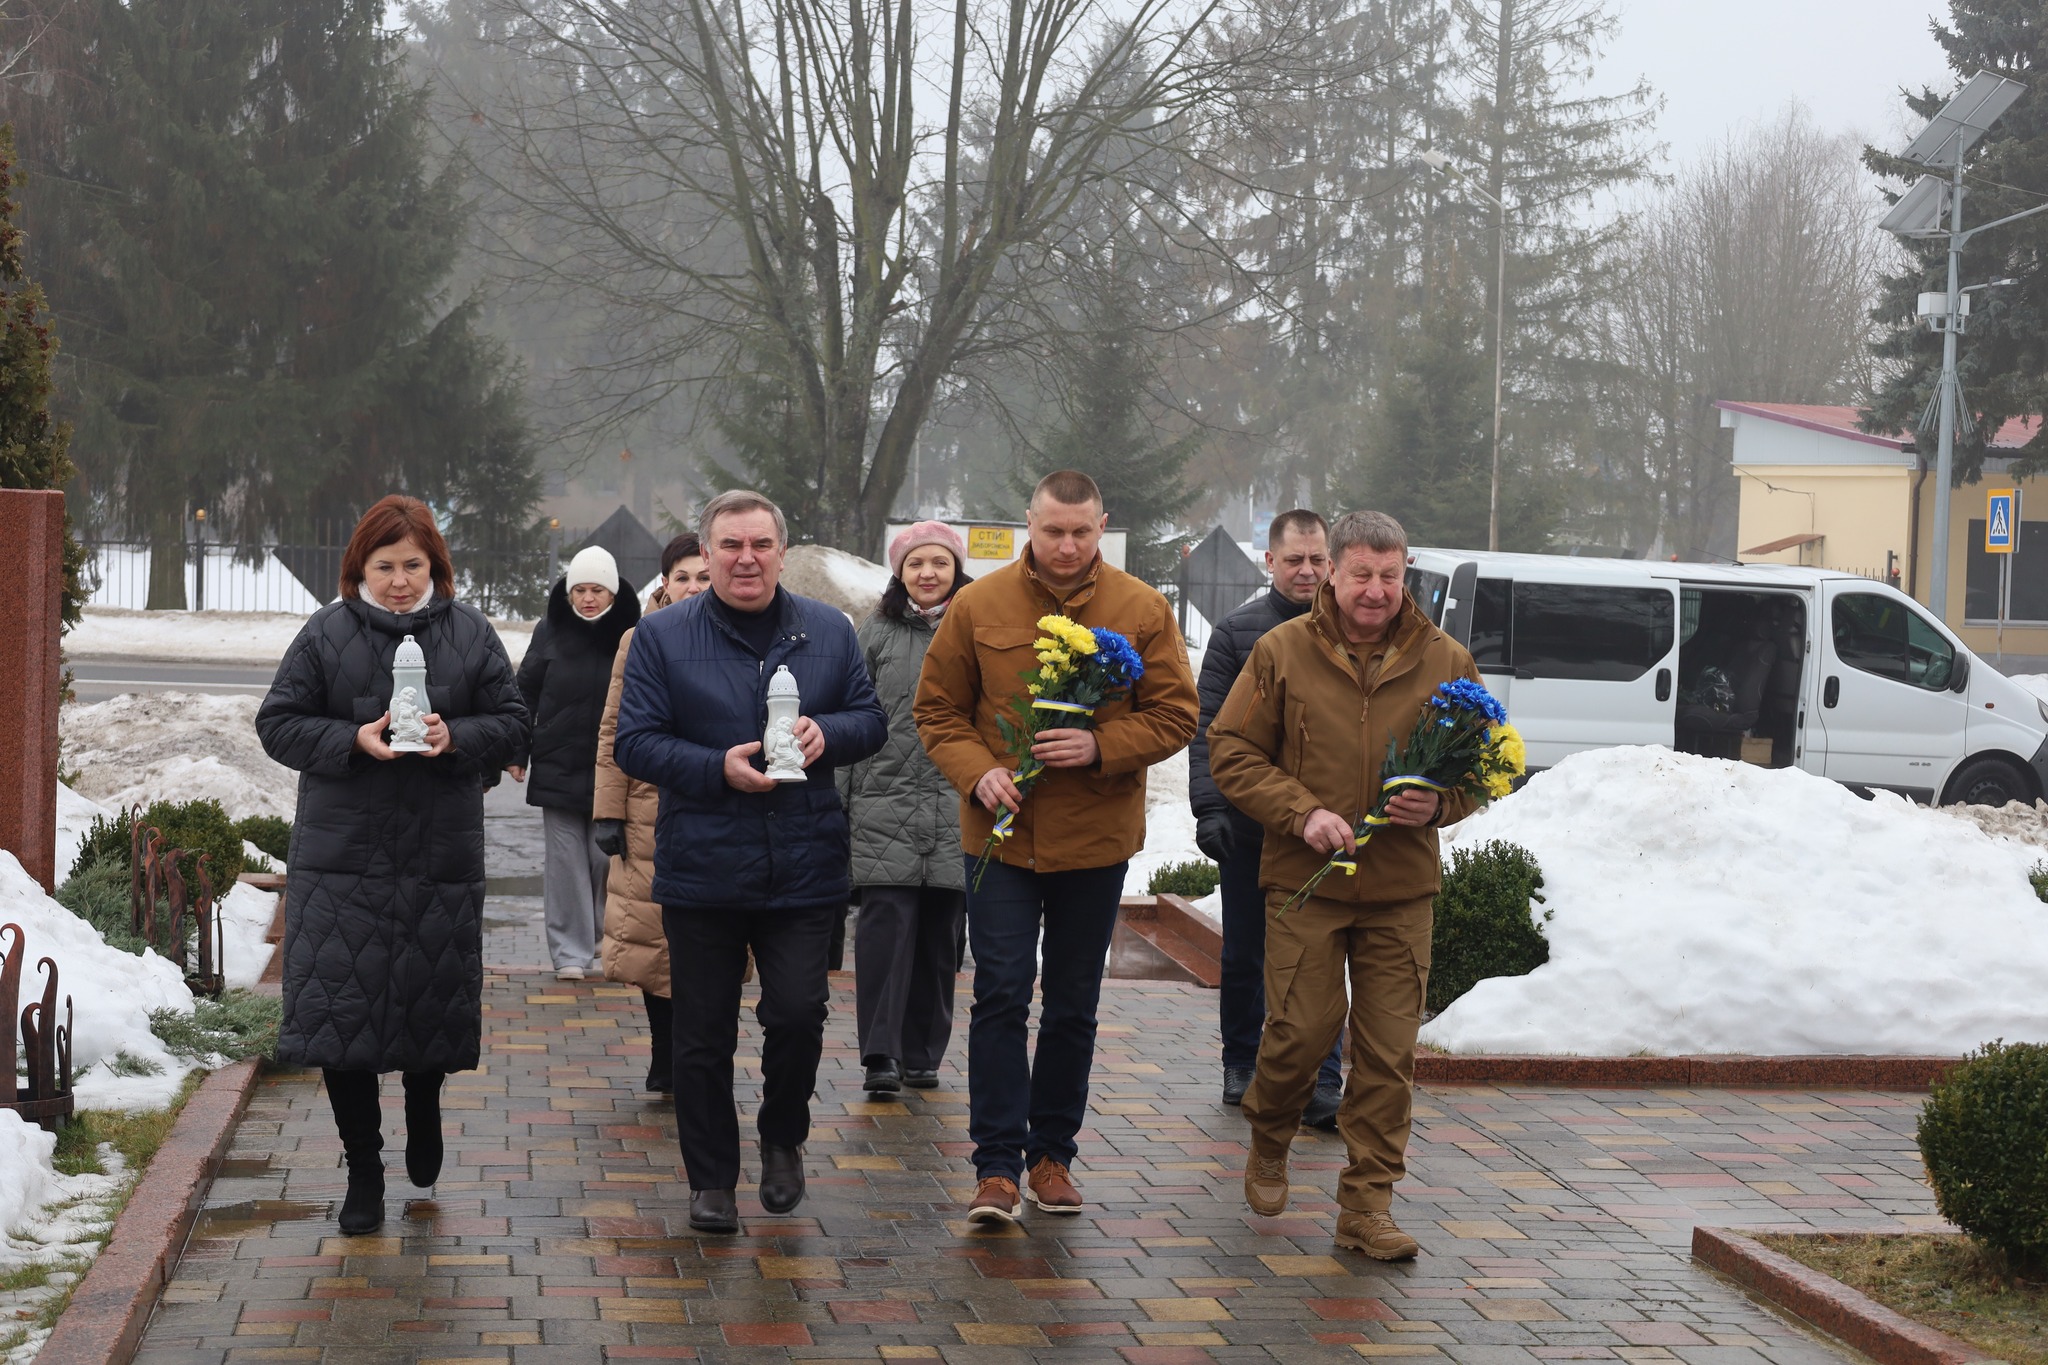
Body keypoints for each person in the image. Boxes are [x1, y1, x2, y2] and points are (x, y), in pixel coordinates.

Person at [915, 470, 1199, 1225]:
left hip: (1095, 841)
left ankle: (1052, 1157)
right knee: (1002, 992)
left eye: (1081, 531)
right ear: (1028, 527)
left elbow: (1175, 715)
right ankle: (996, 1168)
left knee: (1074, 1002)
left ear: (1102, 524)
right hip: (1000, 840)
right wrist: (980, 774)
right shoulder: (978, 605)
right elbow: (937, 711)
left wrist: (1100, 744)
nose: (1067, 545)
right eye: (1053, 531)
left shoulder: (1140, 608)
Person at [1208, 510, 1483, 1261]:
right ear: (1332, 571)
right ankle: (1270, 1133)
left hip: (1400, 888)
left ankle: (1367, 1204)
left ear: (1407, 573)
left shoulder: (1446, 658)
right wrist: (1301, 813)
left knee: (1389, 1054)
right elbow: (1230, 748)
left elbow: (1484, 766)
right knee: (1299, 1032)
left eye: (1390, 576)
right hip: (1308, 882)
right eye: (1361, 573)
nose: (1375, 590)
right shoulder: (1280, 651)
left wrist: (1442, 802)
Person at [256, 495, 530, 1236]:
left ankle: (424, 1094)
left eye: (413, 565)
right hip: (342, 861)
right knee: (339, 1017)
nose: (401, 580)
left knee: (429, 997)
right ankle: (364, 1168)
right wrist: (353, 739)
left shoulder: (470, 634)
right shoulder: (327, 632)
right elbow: (277, 721)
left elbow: (514, 722)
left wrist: (456, 734)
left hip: (438, 857)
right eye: (385, 566)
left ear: (435, 565)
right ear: (360, 568)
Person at [614, 490, 886, 1234]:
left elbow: (872, 720)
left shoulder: (829, 629)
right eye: (730, 545)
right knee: (702, 1033)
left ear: (780, 551)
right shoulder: (663, 637)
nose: (745, 558)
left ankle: (782, 1134)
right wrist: (714, 766)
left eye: (760, 544)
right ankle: (710, 1178)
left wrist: (828, 732)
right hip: (704, 861)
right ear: (704, 553)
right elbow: (633, 741)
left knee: (797, 1013)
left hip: (804, 862)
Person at [1188, 510, 1345, 1124]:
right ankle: (1242, 1060)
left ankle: (1323, 1077)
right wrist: (1211, 809)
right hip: (1252, 824)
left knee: (1322, 955)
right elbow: (1208, 728)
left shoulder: (1352, 626)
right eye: (1294, 560)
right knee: (1248, 952)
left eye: (1317, 559)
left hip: (1327, 828)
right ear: (1269, 562)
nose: (1307, 571)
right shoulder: (1237, 634)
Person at [843, 521, 973, 1095]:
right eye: (917, 563)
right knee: (883, 933)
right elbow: (845, 718)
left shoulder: (979, 627)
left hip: (957, 803)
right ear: (899, 570)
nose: (928, 574)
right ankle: (880, 1057)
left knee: (943, 938)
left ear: (956, 569)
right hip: (882, 801)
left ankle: (922, 1054)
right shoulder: (873, 633)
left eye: (939, 564)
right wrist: (837, 805)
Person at [592, 533, 713, 1095]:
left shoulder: (738, 634)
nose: (693, 586)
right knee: (649, 935)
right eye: (683, 576)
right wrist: (607, 810)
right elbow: (613, 727)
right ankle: (665, 1053)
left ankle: (699, 1052)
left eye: (703, 576)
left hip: (717, 803)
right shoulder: (638, 638)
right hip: (648, 807)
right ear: (665, 582)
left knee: (706, 940)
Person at [509, 546, 642, 980]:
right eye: (579, 590)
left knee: (605, 858)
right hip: (557, 762)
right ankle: (570, 953)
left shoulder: (634, 633)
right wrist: (516, 751)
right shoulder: (549, 631)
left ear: (613, 592)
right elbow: (523, 693)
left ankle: (604, 941)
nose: (588, 598)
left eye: (597, 589)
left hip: (615, 769)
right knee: (565, 863)